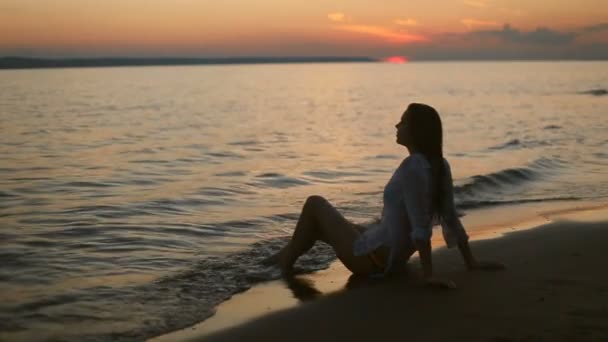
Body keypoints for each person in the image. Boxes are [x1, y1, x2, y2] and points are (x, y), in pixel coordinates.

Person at [264, 103, 503, 288]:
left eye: (403, 122)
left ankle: (281, 265)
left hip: (372, 263)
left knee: (314, 203)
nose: (396, 126)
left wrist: (429, 275)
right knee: (319, 226)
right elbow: (450, 216)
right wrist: (470, 262)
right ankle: (278, 261)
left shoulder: (413, 167)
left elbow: (421, 226)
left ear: (417, 131)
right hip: (385, 255)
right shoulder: (439, 165)